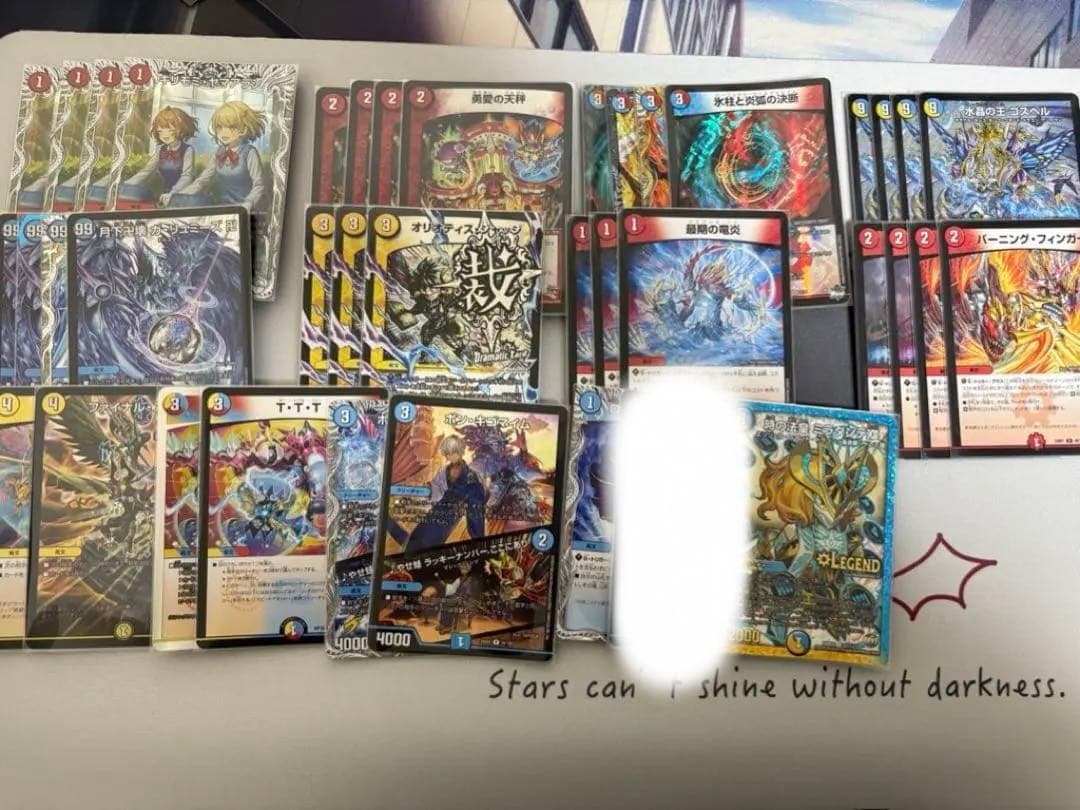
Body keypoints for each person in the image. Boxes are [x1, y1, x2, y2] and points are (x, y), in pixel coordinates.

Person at [165, 100, 267, 209]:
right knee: (180, 202)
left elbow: (259, 185)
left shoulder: (249, 153)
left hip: (243, 208)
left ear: (244, 129)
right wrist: (178, 195)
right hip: (221, 206)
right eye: (219, 127)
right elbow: (202, 180)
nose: (224, 132)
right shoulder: (219, 152)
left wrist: (248, 203)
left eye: (231, 127)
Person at [123, 106, 198, 204]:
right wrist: (126, 185)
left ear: (181, 130)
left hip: (182, 195)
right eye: (160, 132)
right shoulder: (161, 150)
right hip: (165, 194)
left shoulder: (188, 150)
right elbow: (146, 171)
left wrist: (173, 193)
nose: (165, 135)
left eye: (170, 130)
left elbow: (187, 177)